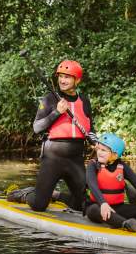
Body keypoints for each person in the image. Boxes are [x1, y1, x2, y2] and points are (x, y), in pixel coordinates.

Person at [25, 59, 98, 212]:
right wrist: (57, 112)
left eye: (67, 77)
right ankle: (25, 194)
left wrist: (94, 140)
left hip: (75, 158)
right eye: (61, 76)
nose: (62, 80)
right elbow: (37, 127)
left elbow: (90, 128)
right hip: (53, 158)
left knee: (83, 204)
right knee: (39, 205)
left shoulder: (84, 101)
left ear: (77, 80)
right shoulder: (49, 99)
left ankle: (57, 195)